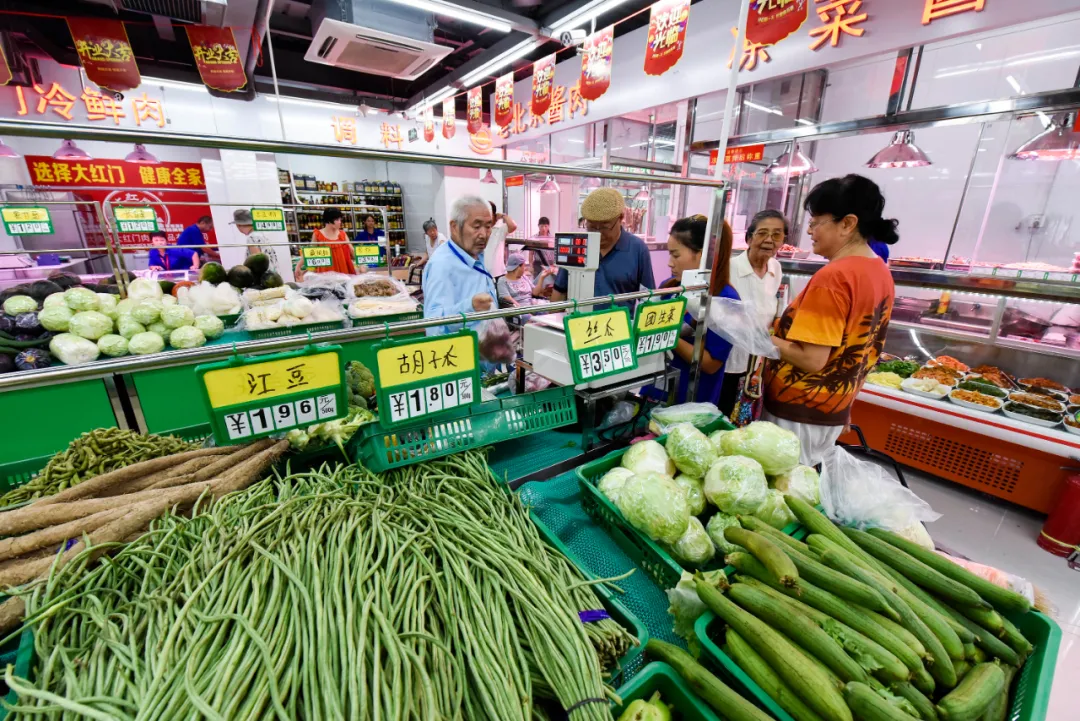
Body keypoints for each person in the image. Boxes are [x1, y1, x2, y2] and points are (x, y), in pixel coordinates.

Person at [763, 174, 898, 466]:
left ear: (847, 223)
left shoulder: (834, 277)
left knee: (786, 489)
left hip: (799, 410)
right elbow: (862, 349)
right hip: (833, 407)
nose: (810, 231)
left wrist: (763, 336)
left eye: (816, 222)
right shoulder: (879, 271)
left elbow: (811, 360)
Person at [665, 216, 740, 405]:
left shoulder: (725, 300)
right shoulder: (670, 288)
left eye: (675, 255)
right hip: (658, 391)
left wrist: (665, 335)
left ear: (701, 255)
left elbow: (709, 363)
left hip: (692, 400)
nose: (669, 263)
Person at [720, 209, 785, 417]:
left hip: (757, 362)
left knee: (745, 417)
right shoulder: (730, 269)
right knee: (724, 411)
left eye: (776, 235)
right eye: (762, 233)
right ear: (749, 238)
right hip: (729, 359)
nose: (769, 240)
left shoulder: (776, 268)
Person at [551, 188, 654, 309]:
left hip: (619, 326)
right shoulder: (577, 245)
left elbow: (648, 300)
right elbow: (558, 295)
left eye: (605, 227)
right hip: (579, 324)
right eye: (592, 227)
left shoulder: (637, 249)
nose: (598, 233)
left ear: (620, 218)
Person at [422, 195, 496, 336]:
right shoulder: (442, 266)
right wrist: (470, 307)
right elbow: (434, 327)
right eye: (476, 226)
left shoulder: (476, 254)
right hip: (463, 355)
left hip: (488, 352)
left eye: (488, 226)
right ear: (455, 227)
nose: (484, 234)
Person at [309, 208, 357, 275]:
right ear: (328, 220)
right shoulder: (318, 235)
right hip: (325, 271)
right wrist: (299, 266)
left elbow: (352, 250)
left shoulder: (342, 234)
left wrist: (361, 263)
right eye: (337, 220)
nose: (340, 222)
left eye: (340, 219)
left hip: (342, 269)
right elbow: (310, 253)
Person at [484, 201, 518, 279]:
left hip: (498, 273)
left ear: (493, 215)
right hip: (483, 273)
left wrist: (503, 216)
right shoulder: (481, 229)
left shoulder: (500, 229)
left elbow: (513, 226)